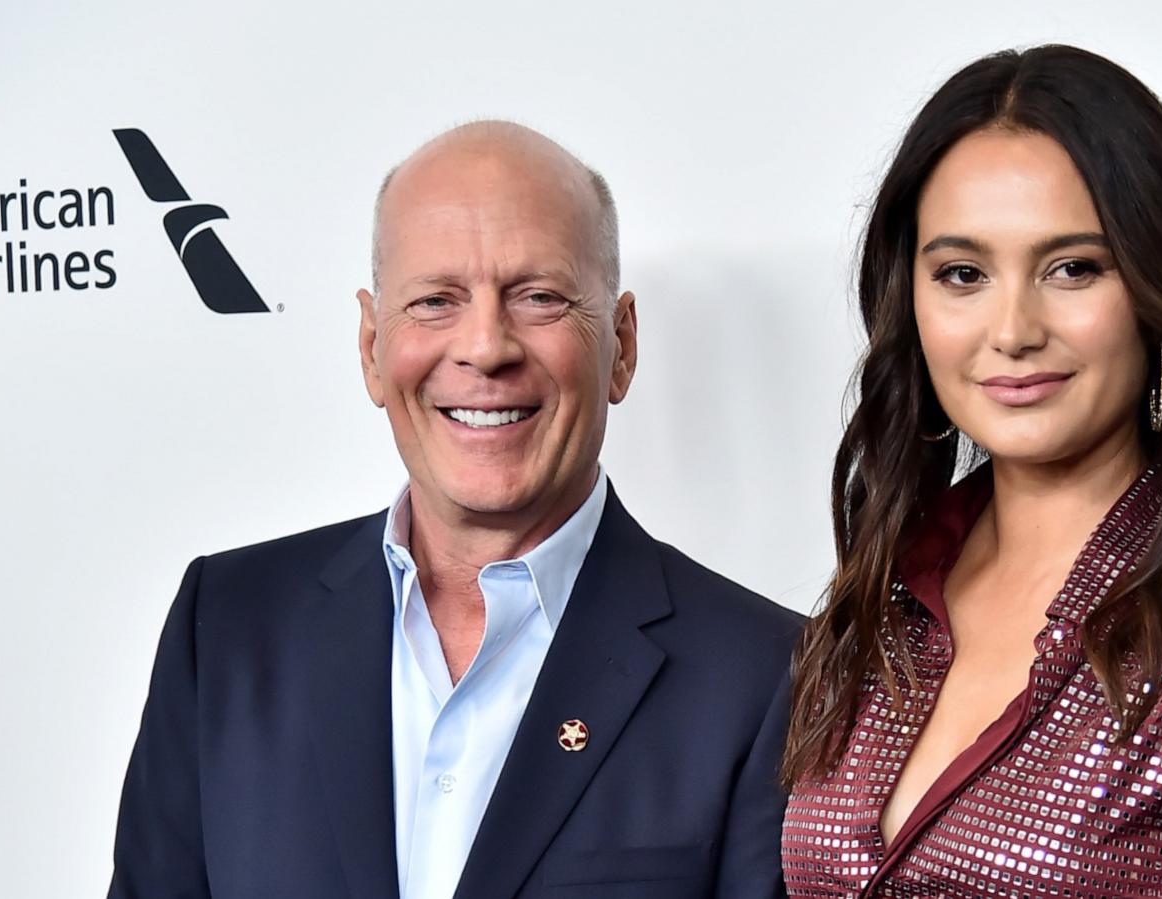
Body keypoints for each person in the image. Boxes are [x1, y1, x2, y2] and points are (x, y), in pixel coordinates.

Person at [109, 121, 802, 899]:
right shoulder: (228, 626)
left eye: (539, 297)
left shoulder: (768, 673)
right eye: (435, 300)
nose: (484, 347)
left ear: (623, 345)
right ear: (373, 346)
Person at [780, 46, 1162, 897]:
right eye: (963, 273)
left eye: (1073, 268)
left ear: (1154, 286)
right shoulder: (877, 603)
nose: (1014, 328)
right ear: (910, 299)